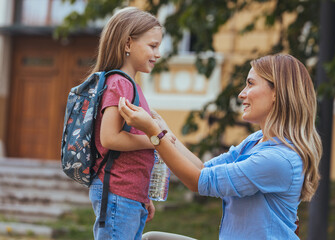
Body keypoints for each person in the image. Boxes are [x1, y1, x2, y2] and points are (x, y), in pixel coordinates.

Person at [119, 54, 323, 240]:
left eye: (250, 84)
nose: (242, 94)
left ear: (277, 93)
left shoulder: (278, 159)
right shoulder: (256, 140)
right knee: (152, 239)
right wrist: (164, 130)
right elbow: (202, 169)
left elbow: (197, 182)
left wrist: (154, 134)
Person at [88, 7, 167, 240]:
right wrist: (156, 140)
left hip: (129, 195)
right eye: (153, 46)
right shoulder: (120, 83)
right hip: (117, 193)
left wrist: (142, 196)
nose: (158, 53)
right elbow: (110, 138)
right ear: (128, 44)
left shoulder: (131, 86)